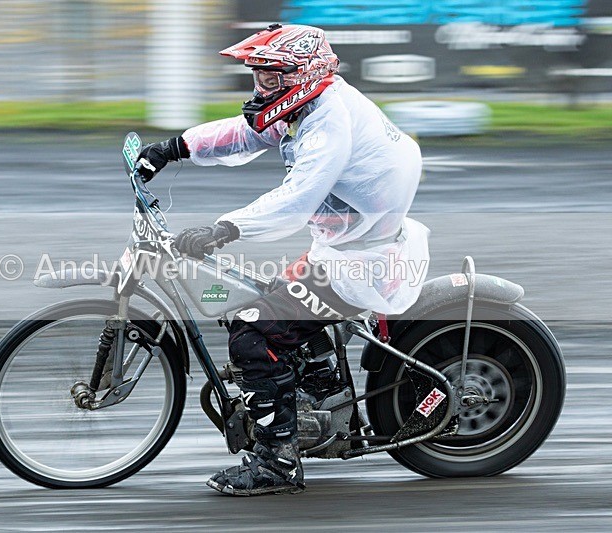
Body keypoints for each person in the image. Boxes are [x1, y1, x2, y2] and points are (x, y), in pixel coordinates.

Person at [137, 23, 429, 496]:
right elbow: (244, 135)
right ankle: (324, 389)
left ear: (302, 74)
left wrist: (224, 229)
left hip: (360, 263)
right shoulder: (305, 105)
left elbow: (296, 200)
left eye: (270, 78)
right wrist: (174, 149)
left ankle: (278, 463)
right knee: (250, 299)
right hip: (345, 247)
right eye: (258, 77)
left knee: (252, 334)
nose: (260, 88)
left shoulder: (327, 121)